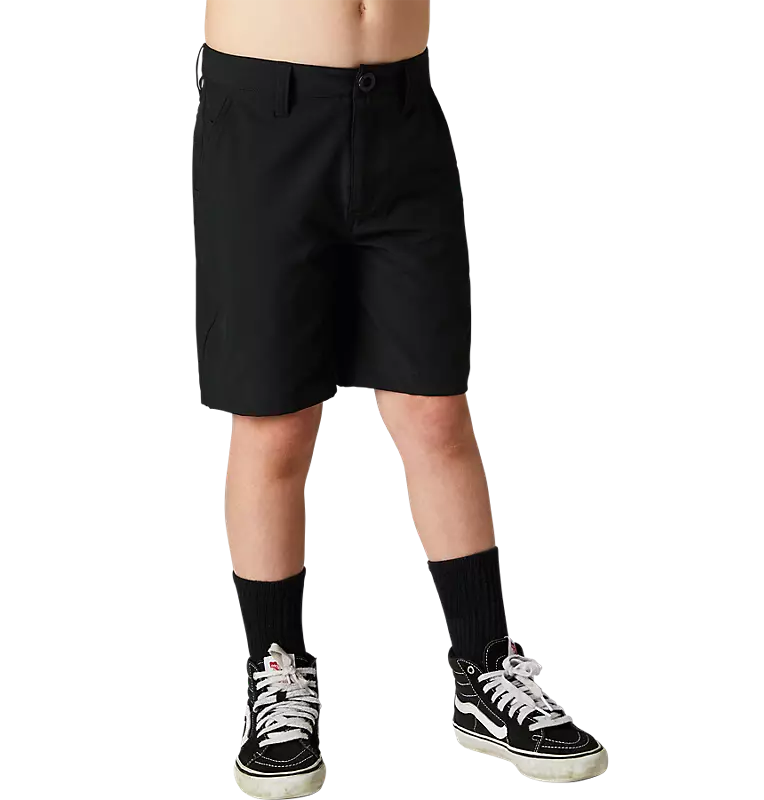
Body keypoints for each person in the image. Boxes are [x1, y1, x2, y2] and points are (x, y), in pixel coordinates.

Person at [192, 1, 608, 796]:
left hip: (402, 109)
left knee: (434, 409)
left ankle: (484, 671)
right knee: (276, 421)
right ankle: (277, 673)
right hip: (265, 118)